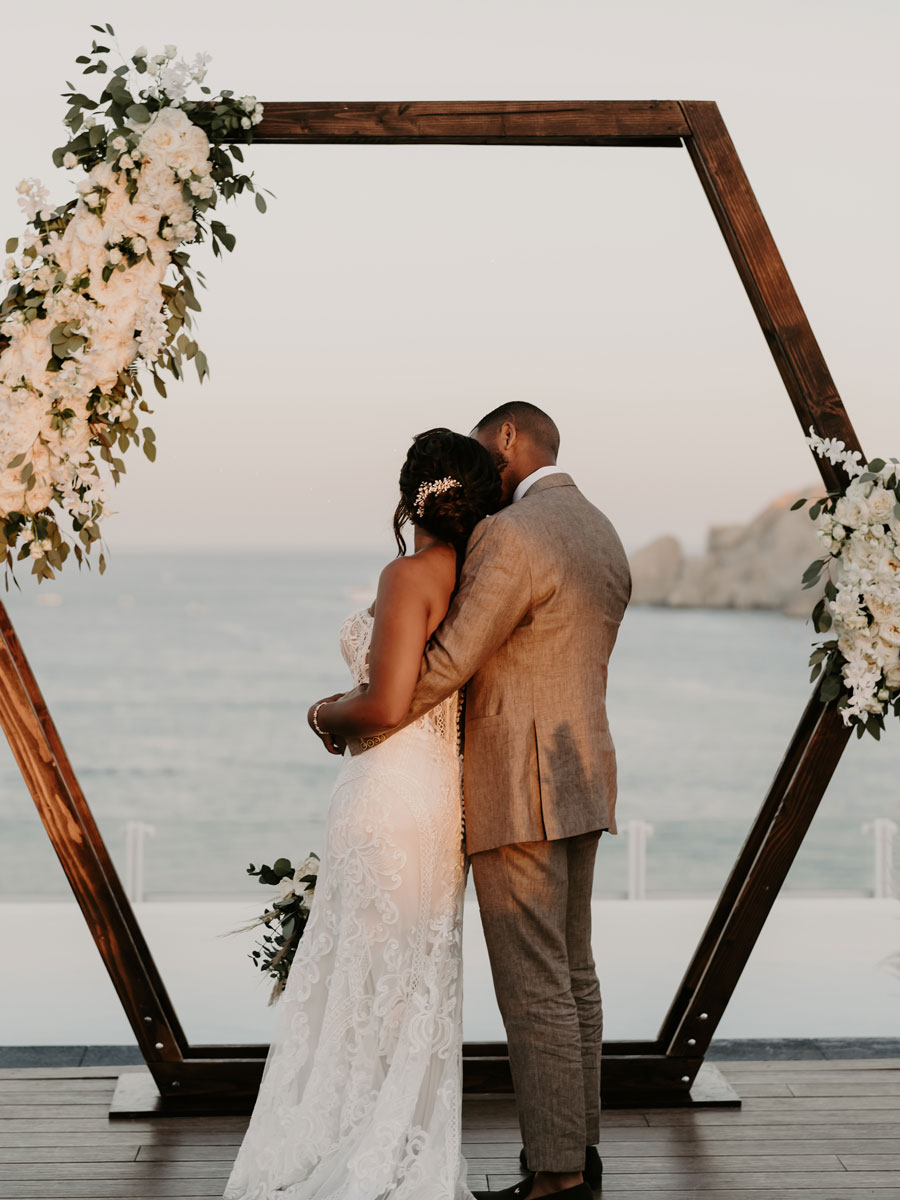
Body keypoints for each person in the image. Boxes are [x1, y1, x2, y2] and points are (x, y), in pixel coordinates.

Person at [328, 402, 632, 1200]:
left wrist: (363, 715)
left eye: (480, 447)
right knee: (574, 975)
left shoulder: (513, 533)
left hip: (517, 786)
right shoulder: (600, 529)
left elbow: (452, 659)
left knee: (535, 986)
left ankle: (557, 1175)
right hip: (583, 774)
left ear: (507, 438)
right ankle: (579, 1153)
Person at [222, 427, 502, 1200]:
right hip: (434, 800)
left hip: (387, 792)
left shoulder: (409, 573)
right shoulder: (475, 579)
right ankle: (392, 1145)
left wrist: (321, 713)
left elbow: (382, 705)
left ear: (412, 495)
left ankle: (354, 1145)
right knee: (406, 982)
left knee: (367, 978)